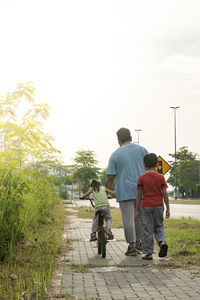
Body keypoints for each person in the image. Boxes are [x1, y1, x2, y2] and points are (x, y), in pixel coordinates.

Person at [106, 127, 148, 256]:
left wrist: (107, 190)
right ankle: (139, 243)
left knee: (128, 219)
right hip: (142, 190)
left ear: (118, 140)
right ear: (131, 138)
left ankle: (131, 247)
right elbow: (150, 168)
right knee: (140, 218)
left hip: (124, 191)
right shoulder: (142, 150)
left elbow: (111, 176)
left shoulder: (115, 154)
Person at [135, 153, 170, 260]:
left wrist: (136, 210)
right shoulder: (161, 177)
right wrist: (168, 208)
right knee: (159, 226)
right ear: (156, 164)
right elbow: (164, 193)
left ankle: (149, 253)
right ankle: (162, 242)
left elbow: (139, 195)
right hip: (159, 205)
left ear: (144, 164)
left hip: (146, 206)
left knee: (147, 229)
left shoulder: (141, 178)